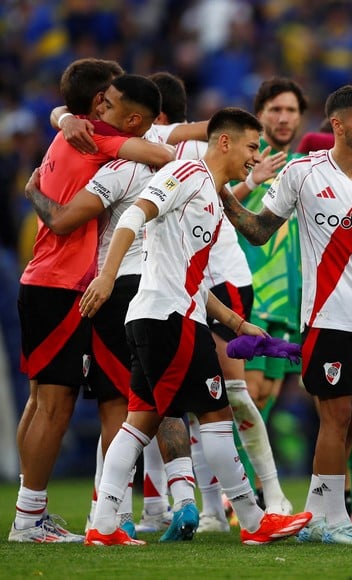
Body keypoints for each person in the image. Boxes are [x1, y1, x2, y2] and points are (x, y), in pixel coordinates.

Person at [79, 107, 313, 546]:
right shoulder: (185, 172)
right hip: (171, 320)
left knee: (138, 423)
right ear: (224, 142)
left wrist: (238, 322)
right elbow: (134, 217)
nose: (254, 156)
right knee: (216, 416)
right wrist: (107, 276)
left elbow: (198, 280)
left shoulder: (208, 191)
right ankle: (253, 519)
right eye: (250, 146)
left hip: (165, 316)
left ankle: (103, 525)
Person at [220, 85, 352, 545]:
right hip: (326, 319)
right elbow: (260, 230)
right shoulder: (305, 174)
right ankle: (333, 521)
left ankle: (318, 512)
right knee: (336, 414)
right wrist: (223, 195)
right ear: (338, 125)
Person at [23, 74, 199, 543]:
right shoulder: (103, 138)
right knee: (132, 402)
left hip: (67, 282)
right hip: (103, 286)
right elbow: (172, 149)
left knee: (66, 403)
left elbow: (61, 217)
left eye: (112, 100)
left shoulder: (83, 140)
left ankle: (93, 513)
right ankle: (173, 501)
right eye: (103, 97)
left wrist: (36, 181)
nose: (105, 104)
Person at [231, 78, 308, 496]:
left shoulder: (304, 167)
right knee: (248, 394)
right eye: (275, 109)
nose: (283, 118)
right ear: (259, 114)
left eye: (291, 110)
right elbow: (215, 206)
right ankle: (234, 494)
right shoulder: (243, 161)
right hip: (249, 295)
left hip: (287, 301)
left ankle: (248, 491)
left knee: (266, 399)